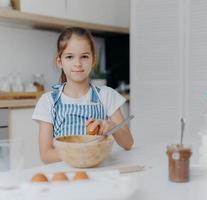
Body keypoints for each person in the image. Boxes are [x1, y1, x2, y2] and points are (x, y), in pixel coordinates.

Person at [32, 27, 134, 164]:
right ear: (59, 62)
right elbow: (46, 155)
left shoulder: (106, 95)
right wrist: (82, 152)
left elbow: (128, 143)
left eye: (84, 56)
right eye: (69, 57)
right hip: (65, 174)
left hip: (99, 170)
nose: (78, 63)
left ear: (93, 61)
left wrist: (110, 125)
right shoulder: (48, 101)